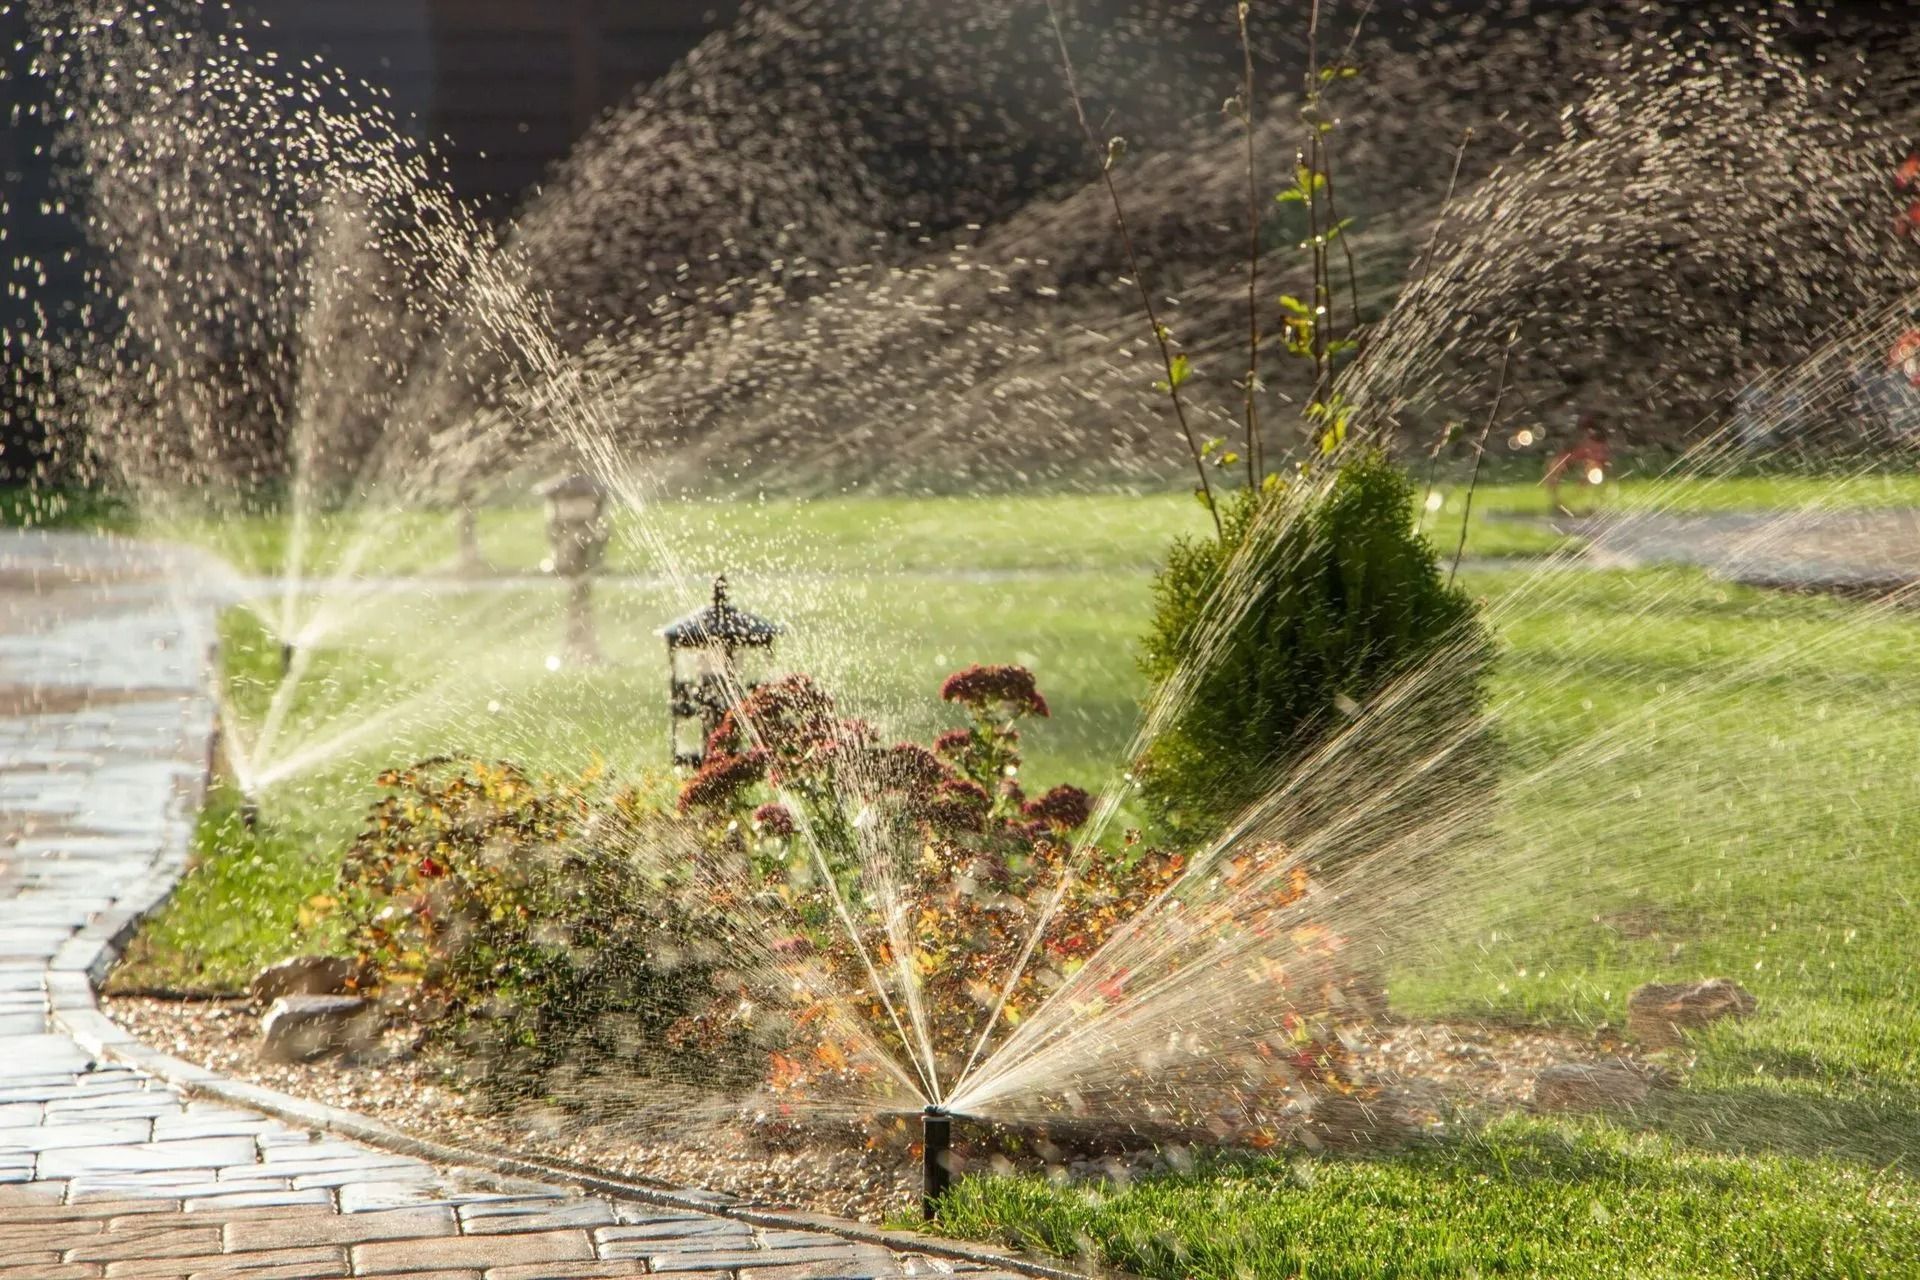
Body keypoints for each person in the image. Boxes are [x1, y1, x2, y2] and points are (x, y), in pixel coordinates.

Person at [1544, 413, 1610, 516]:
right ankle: (1558, 504)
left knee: (1595, 472)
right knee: (1554, 469)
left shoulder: (1595, 446)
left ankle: (1595, 504)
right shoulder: (1577, 443)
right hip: (1577, 455)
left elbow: (1598, 462)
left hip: (1587, 459)